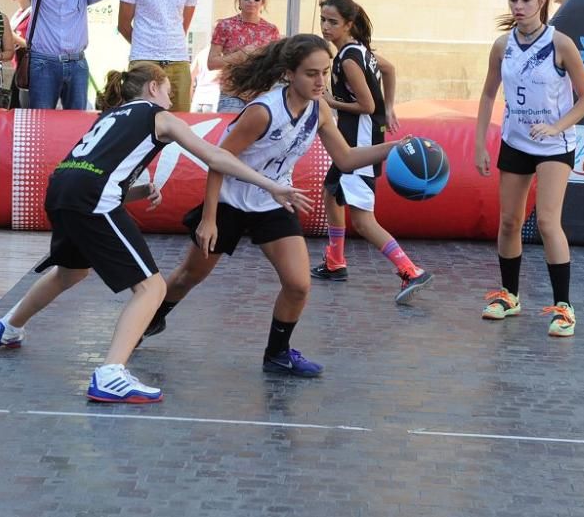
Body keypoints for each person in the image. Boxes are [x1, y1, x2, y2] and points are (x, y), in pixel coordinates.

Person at [0, 63, 312, 403]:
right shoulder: (159, 116)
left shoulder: (112, 115)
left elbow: (95, 170)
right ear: (153, 88)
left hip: (62, 191)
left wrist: (137, 192)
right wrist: (271, 185)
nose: (170, 97)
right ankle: (110, 373)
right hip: (91, 199)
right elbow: (215, 155)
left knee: (70, 272)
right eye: (168, 89)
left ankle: (6, 327)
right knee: (151, 288)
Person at [140, 34, 414, 377]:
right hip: (230, 201)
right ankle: (151, 319)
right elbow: (218, 161)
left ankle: (277, 354)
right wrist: (208, 218)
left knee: (298, 284)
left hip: (273, 201)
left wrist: (394, 147)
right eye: (311, 74)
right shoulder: (262, 112)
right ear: (289, 74)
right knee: (188, 277)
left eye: (325, 72)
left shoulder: (319, 110)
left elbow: (345, 158)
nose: (320, 82)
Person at [474, 0, 584, 337]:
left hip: (554, 146)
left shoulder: (561, 44)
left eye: (525, 0)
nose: (518, 6)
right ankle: (509, 296)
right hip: (516, 141)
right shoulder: (502, 45)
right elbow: (487, 95)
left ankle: (564, 308)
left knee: (546, 222)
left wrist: (557, 127)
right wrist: (481, 143)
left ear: (542, 1)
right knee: (509, 220)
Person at [312, 0, 432, 303]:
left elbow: (366, 104)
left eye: (333, 22)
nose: (326, 27)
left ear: (348, 24)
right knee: (332, 193)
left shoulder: (349, 59)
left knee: (364, 220)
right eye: (323, 20)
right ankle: (335, 261)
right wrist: (389, 107)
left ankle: (410, 270)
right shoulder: (360, 51)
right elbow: (389, 70)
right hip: (352, 141)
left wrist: (329, 101)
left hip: (359, 144)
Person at [208, 0, 281, 112]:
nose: (251, 1)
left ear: (263, 1)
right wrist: (239, 56)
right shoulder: (225, 25)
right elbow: (211, 63)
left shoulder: (271, 30)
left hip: (262, 96)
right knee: (232, 132)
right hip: (231, 96)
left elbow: (275, 67)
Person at [7, 0, 31, 108]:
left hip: (29, 72)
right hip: (18, 67)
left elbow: (33, 45)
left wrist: (10, 34)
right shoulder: (18, 14)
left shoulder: (33, 14)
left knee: (23, 112)